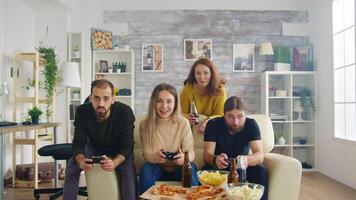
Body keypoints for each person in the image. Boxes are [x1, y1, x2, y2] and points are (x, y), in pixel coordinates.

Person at [63, 79, 137, 200]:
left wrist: (115, 162)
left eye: (106, 98)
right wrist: (81, 160)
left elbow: (127, 146)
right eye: (96, 98)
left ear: (113, 99)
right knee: (73, 165)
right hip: (94, 147)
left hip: (119, 149)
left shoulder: (125, 112)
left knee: (127, 169)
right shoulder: (82, 111)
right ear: (91, 98)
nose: (101, 103)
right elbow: (78, 143)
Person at [203, 96, 268, 200]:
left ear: (245, 115)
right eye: (230, 116)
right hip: (220, 168)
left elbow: (260, 155)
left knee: (260, 170)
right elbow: (206, 156)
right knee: (207, 169)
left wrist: (246, 160)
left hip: (242, 167)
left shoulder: (251, 125)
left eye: (240, 116)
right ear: (224, 115)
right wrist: (215, 159)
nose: (235, 122)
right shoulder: (213, 124)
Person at [139, 83, 199, 194]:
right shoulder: (145, 124)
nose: (164, 106)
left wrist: (184, 158)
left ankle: (193, 196)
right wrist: (155, 157)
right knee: (146, 168)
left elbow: (191, 152)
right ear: (153, 103)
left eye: (169, 101)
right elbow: (147, 154)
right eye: (159, 101)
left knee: (191, 166)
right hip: (157, 168)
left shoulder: (183, 123)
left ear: (175, 103)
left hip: (179, 167)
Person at [180, 58, 226, 134]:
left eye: (206, 73)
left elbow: (220, 115)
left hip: (213, 127)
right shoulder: (187, 89)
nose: (202, 77)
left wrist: (208, 121)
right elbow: (181, 114)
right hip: (192, 129)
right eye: (198, 73)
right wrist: (189, 118)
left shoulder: (220, 90)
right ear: (194, 75)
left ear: (212, 74)